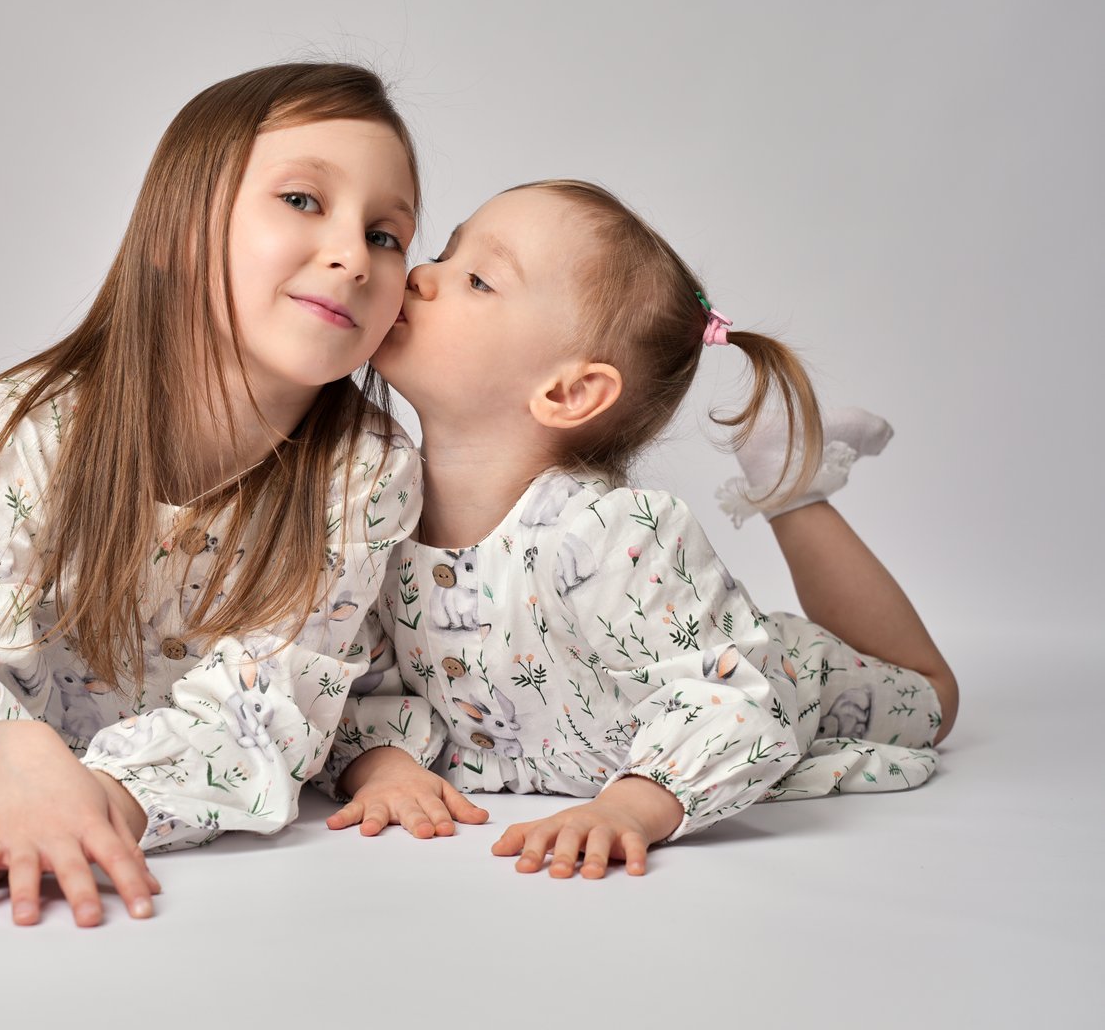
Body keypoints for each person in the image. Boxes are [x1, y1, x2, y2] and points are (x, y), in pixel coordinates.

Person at [0, 62, 425, 925]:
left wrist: (61, 813)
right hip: (33, 760)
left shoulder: (364, 468)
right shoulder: (31, 426)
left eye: (387, 234)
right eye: (304, 200)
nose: (353, 255)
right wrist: (8, 761)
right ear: (176, 231)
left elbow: (259, 716)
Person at [324, 179, 959, 880]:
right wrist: (383, 769)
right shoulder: (376, 512)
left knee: (933, 698)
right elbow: (361, 682)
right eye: (444, 253)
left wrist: (634, 804)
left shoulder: (611, 535)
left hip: (773, 669)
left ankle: (792, 491)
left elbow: (732, 702)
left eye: (477, 279)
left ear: (569, 392)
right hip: (657, 670)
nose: (420, 273)